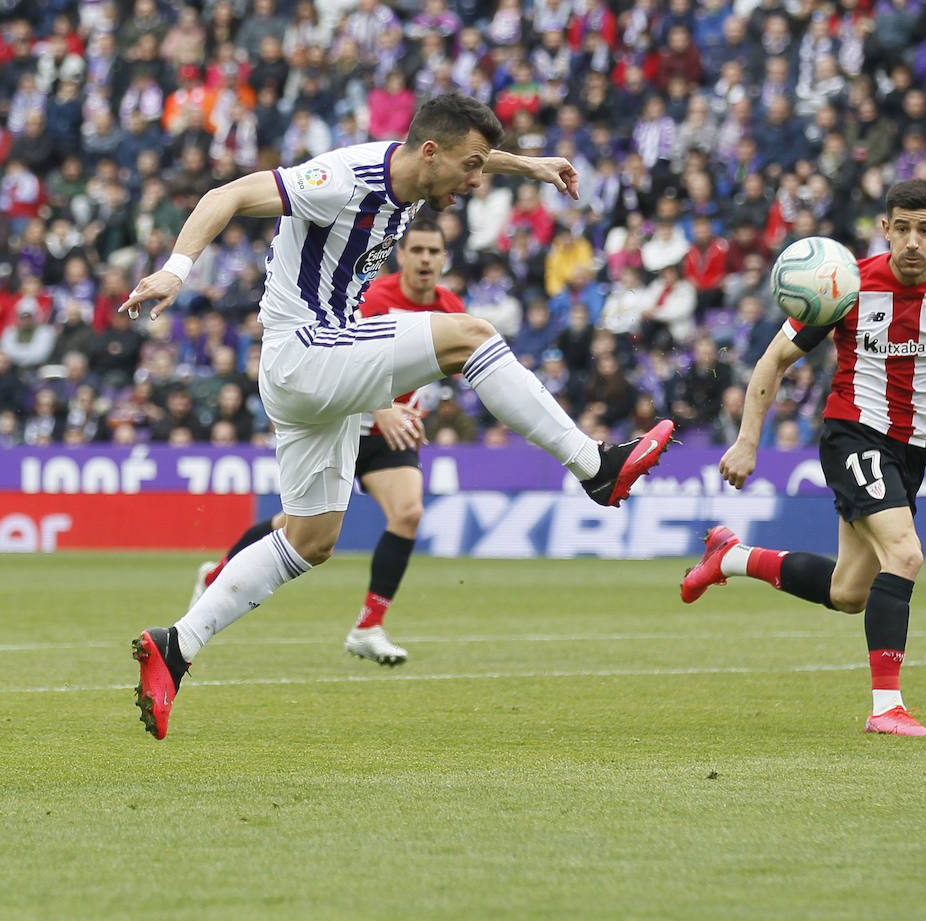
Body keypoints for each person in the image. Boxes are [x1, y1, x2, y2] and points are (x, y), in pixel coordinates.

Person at [122, 94, 675, 739]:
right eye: (470, 168)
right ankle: (595, 466)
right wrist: (175, 270)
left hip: (310, 370)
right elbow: (227, 195)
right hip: (305, 352)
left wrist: (526, 166)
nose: (474, 181)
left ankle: (177, 646)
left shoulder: (422, 171)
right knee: (470, 335)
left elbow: (467, 152)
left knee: (311, 538)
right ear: (432, 154)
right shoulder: (344, 179)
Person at [680, 179, 926, 737]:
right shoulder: (846, 285)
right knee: (905, 554)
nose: (911, 242)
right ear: (885, 229)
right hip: (853, 432)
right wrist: (748, 440)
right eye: (901, 228)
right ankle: (886, 709)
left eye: (924, 230)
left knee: (850, 592)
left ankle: (731, 557)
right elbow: (774, 359)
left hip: (911, 449)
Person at [190, 215, 462, 666]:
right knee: (293, 530)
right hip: (346, 420)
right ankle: (217, 576)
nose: (426, 259)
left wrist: (426, 405)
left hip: (391, 435)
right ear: (402, 255)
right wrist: (383, 404)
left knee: (409, 512)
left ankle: (369, 626)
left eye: (434, 252)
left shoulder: (450, 306)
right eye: (418, 250)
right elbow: (346, 353)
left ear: (444, 257)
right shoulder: (375, 297)